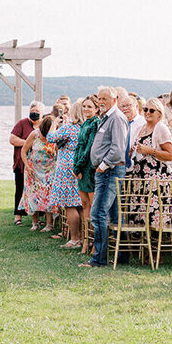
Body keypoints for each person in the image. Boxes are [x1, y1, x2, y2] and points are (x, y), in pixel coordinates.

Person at [81, 86, 129, 268]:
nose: (101, 101)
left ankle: (99, 258)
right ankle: (122, 256)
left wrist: (102, 166)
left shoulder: (116, 118)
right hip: (106, 172)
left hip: (109, 171)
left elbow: (117, 149)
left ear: (114, 100)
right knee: (116, 216)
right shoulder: (106, 117)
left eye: (105, 99)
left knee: (98, 212)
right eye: (99, 98)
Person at [46, 103, 85, 248]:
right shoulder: (84, 128)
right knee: (80, 205)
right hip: (79, 166)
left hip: (66, 168)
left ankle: (74, 238)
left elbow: (50, 137)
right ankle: (83, 238)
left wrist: (54, 124)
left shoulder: (70, 128)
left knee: (70, 205)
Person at [71, 95, 101, 254]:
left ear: (96, 109)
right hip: (81, 167)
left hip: (89, 168)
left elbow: (90, 147)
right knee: (84, 205)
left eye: (90, 107)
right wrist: (75, 165)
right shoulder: (84, 124)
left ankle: (95, 242)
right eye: (84, 106)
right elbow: (78, 147)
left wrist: (79, 167)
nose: (86, 109)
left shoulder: (95, 124)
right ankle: (85, 240)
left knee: (93, 206)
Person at [8, 101, 42, 226]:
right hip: (21, 164)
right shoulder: (22, 123)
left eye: (37, 112)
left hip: (39, 166)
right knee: (20, 188)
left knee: (38, 191)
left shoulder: (43, 125)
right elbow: (12, 139)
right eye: (32, 111)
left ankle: (37, 217)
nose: (35, 113)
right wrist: (28, 143)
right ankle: (18, 216)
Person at [22, 115, 57, 232]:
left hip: (49, 171)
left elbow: (57, 155)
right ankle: (35, 223)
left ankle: (49, 224)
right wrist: (27, 166)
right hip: (33, 170)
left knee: (47, 196)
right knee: (33, 195)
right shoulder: (34, 134)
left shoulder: (54, 137)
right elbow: (24, 150)